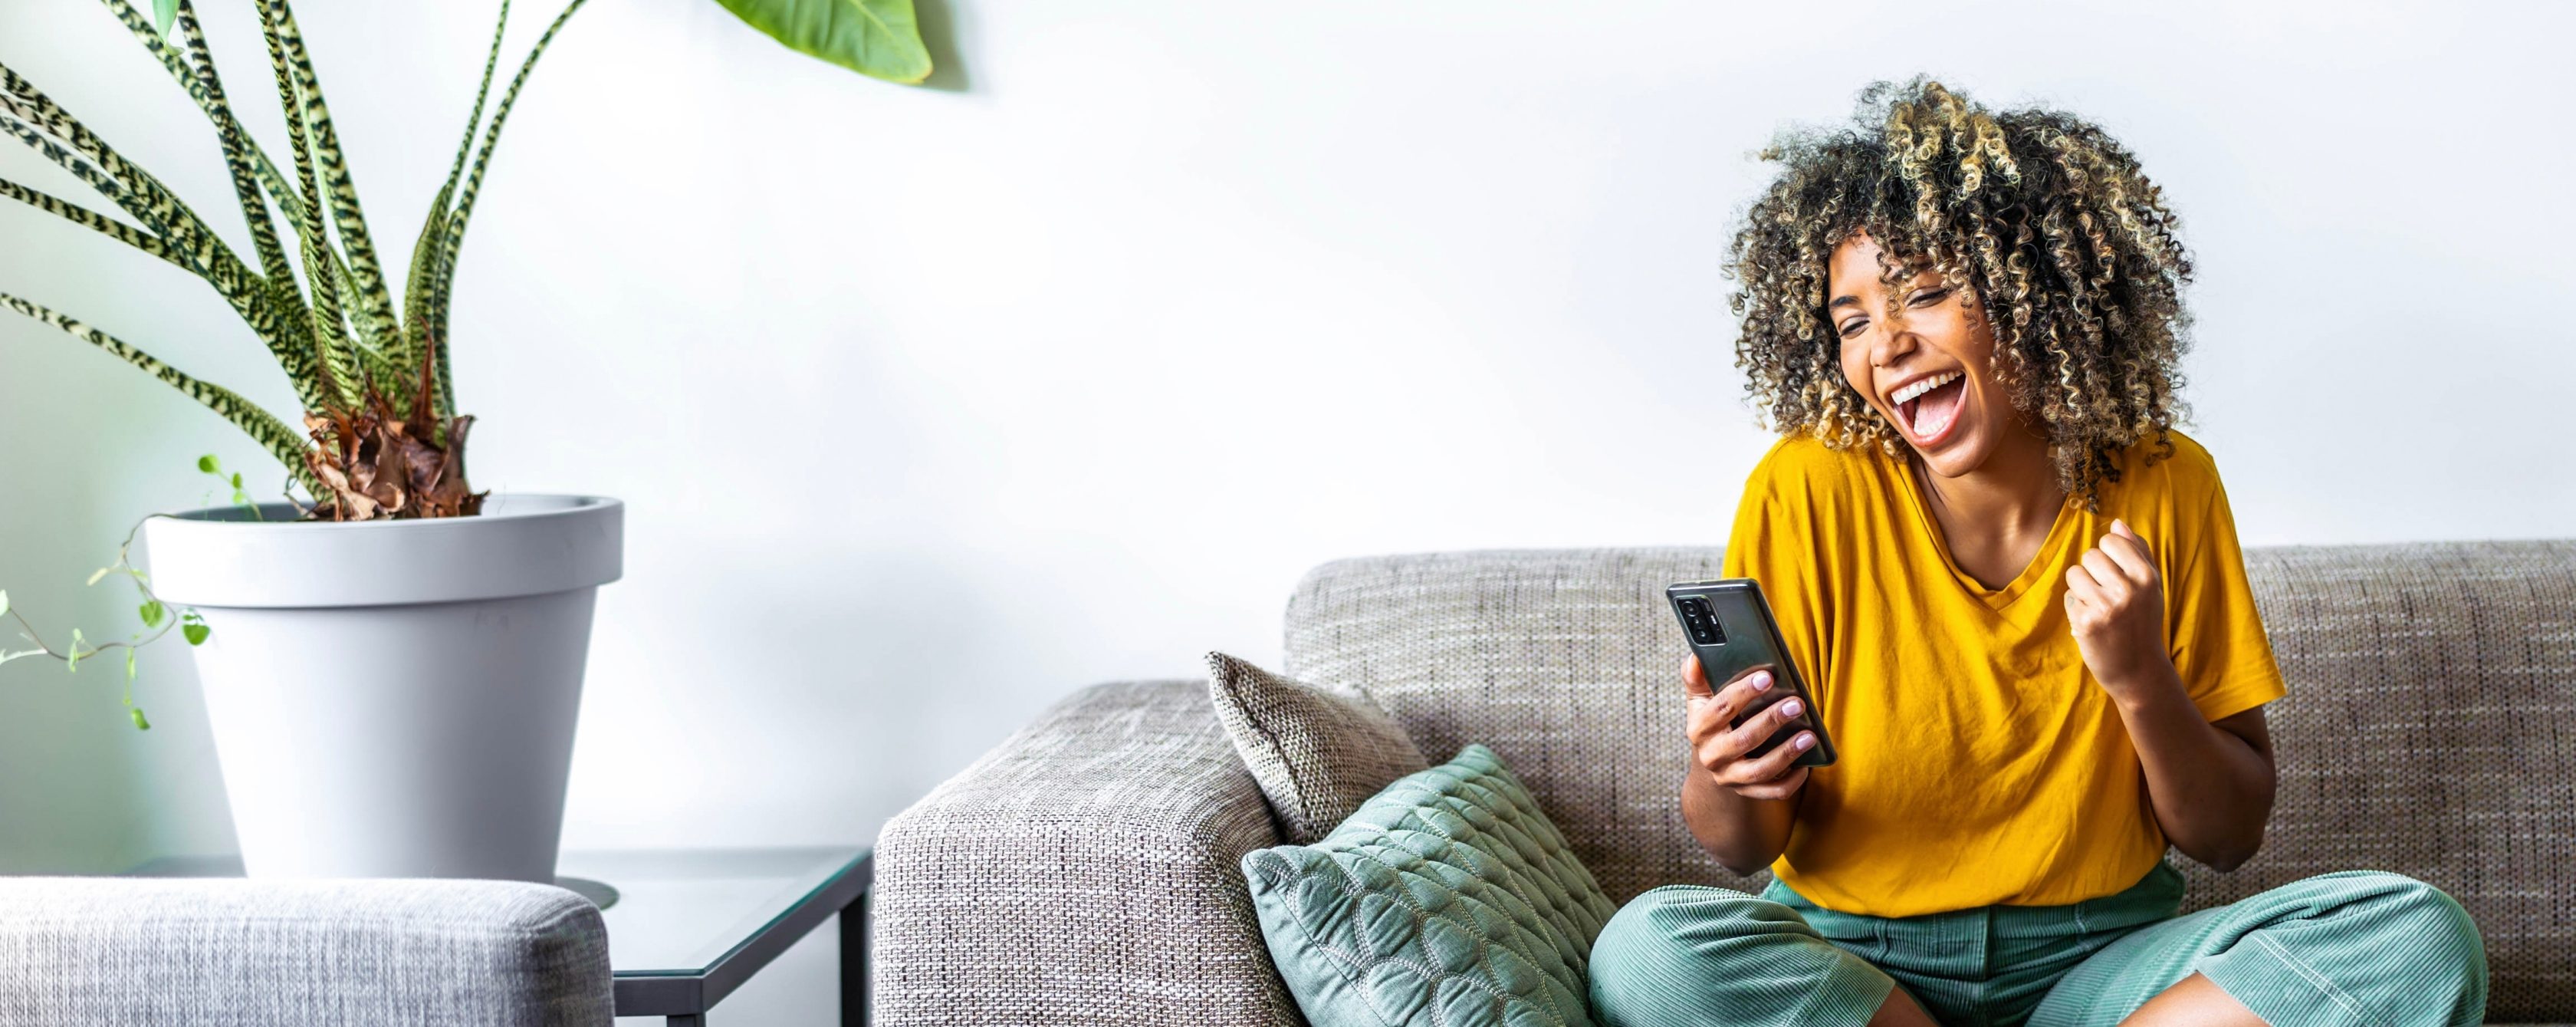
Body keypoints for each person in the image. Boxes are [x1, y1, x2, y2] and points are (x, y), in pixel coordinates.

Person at [1585, 78, 2487, 1027]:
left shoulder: (2163, 481)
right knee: (1647, 953)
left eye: (1926, 294)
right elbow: (1737, 846)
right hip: (1858, 970)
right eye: (1851, 320)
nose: (1886, 344)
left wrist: (2141, 678)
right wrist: (1729, 772)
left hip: (2104, 969)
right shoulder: (1807, 486)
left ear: (2035, 291)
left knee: (2417, 938)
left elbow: (2226, 838)